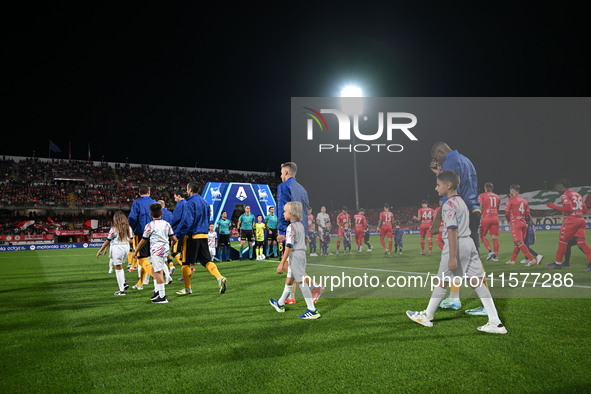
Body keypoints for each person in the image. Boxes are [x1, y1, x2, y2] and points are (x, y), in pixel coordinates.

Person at [406, 170, 507, 334]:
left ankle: (427, 316)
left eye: (438, 184)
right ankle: (495, 322)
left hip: (457, 245)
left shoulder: (448, 205)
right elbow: (454, 226)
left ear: (448, 185)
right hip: (469, 244)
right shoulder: (461, 202)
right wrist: (440, 229)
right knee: (477, 282)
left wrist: (452, 257)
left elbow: (452, 230)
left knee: (441, 281)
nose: (435, 187)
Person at [429, 142, 483, 315]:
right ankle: (453, 297)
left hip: (462, 213)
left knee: (470, 260)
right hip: (472, 210)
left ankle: (486, 304)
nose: (437, 161)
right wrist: (439, 174)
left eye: (437, 158)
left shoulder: (451, 161)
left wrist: (438, 219)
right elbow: (458, 184)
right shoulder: (466, 160)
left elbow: (450, 192)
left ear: (441, 151)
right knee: (460, 259)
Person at [276, 162, 322, 303]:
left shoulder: (283, 186)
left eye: (282, 173)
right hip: (301, 229)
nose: (280, 175)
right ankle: (291, 297)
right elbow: (306, 213)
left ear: (286, 173)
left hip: (290, 229)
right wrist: (306, 232)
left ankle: (314, 286)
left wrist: (282, 230)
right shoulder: (303, 189)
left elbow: (283, 208)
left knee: (286, 264)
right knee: (291, 264)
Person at [269, 202, 320, 319]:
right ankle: (280, 303)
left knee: (301, 282)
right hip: (301, 254)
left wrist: (281, 263)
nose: (283, 213)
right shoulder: (300, 225)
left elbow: (289, 247)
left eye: (285, 211)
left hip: (295, 256)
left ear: (291, 213)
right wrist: (286, 237)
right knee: (289, 281)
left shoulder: (290, 227)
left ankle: (312, 310)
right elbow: (298, 239)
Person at [175, 181, 227, 295]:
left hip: (192, 236)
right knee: (207, 261)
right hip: (204, 236)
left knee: (185, 263)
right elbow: (208, 220)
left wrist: (179, 235)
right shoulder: (205, 203)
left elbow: (187, 221)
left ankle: (188, 289)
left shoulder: (189, 203)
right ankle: (219, 277)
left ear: (190, 190)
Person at [132, 203, 178, 304]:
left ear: (150, 214)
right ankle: (157, 291)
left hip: (156, 250)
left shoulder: (149, 225)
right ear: (162, 213)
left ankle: (162, 296)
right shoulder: (167, 224)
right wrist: (171, 244)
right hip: (164, 249)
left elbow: (143, 240)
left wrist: (136, 251)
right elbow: (174, 239)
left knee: (158, 272)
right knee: (154, 269)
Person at [546, 178, 591, 270]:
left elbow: (569, 208)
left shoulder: (565, 195)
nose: (557, 191)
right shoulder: (578, 195)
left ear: (560, 187)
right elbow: (585, 210)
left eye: (557, 189)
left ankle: (558, 264)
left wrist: (553, 206)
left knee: (563, 242)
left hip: (571, 220)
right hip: (581, 220)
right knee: (582, 243)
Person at [128, 185, 157, 290]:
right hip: (155, 234)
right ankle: (140, 284)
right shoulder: (154, 203)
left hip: (141, 234)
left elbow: (132, 218)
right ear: (149, 192)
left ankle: (157, 278)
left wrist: (135, 228)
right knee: (152, 259)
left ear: (139, 193)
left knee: (142, 260)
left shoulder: (137, 203)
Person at [96, 211, 132, 295]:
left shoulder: (113, 229)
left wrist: (100, 251)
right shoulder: (128, 228)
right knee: (120, 267)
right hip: (126, 247)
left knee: (118, 268)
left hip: (117, 248)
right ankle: (124, 283)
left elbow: (107, 241)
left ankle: (121, 290)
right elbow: (131, 239)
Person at [505, 184, 538, 266]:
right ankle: (512, 260)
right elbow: (527, 214)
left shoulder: (510, 200)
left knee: (519, 242)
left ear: (512, 190)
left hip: (515, 224)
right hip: (523, 224)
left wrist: (510, 220)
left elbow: (506, 213)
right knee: (517, 243)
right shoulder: (524, 201)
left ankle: (532, 260)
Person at [479, 182, 501, 262]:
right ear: (492, 188)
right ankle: (496, 256)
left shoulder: (482, 195)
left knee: (482, 235)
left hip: (486, 218)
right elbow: (498, 209)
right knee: (494, 237)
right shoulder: (497, 196)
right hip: (495, 218)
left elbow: (480, 208)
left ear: (485, 188)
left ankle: (490, 251)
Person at [169, 189, 187, 269]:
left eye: (175, 196)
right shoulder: (187, 203)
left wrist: (170, 226)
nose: (174, 198)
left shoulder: (180, 204)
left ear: (179, 196)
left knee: (174, 252)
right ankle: (186, 272)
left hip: (179, 232)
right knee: (184, 253)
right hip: (186, 231)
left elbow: (176, 218)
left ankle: (188, 270)